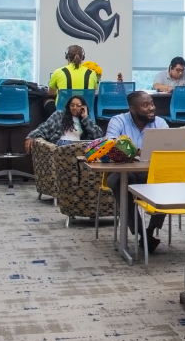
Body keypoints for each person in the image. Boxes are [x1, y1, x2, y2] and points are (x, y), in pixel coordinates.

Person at [105, 91, 169, 253]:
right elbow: (111, 144)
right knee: (120, 182)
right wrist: (138, 152)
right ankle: (143, 235)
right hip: (123, 172)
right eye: (145, 105)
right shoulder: (118, 121)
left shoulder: (160, 123)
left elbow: (169, 150)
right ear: (133, 109)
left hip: (151, 172)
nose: (151, 108)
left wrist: (132, 150)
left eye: (152, 104)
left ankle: (150, 231)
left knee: (167, 183)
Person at [23, 94, 103, 153]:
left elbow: (98, 136)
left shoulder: (86, 120)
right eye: (72, 105)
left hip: (79, 147)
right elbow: (44, 127)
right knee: (69, 146)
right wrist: (31, 136)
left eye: (78, 106)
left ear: (83, 108)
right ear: (68, 106)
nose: (75, 108)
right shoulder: (60, 115)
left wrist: (85, 117)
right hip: (62, 145)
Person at [45, 45, 100, 116]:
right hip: (84, 113)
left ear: (67, 57)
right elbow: (94, 90)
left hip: (63, 113)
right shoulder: (92, 74)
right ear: (82, 57)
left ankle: (54, 124)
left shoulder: (58, 72)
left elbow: (51, 93)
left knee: (47, 100)